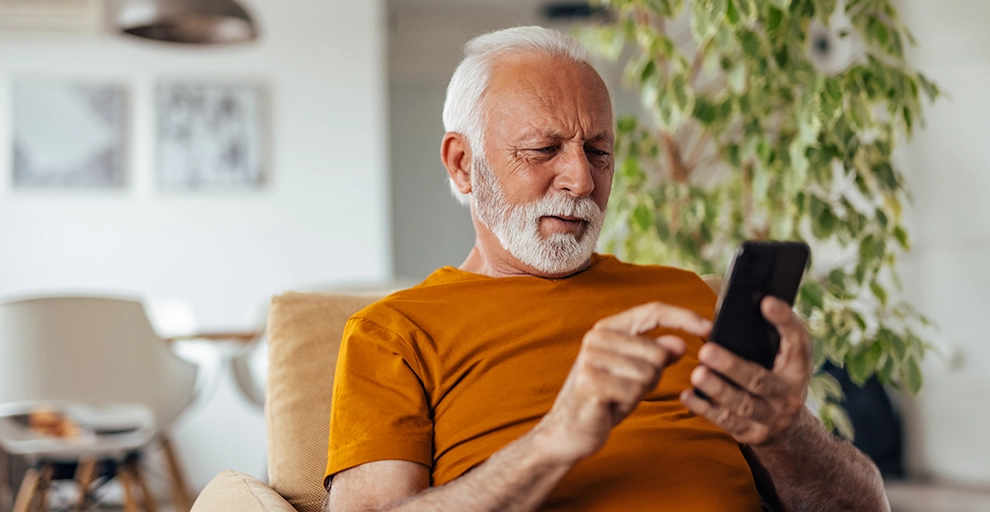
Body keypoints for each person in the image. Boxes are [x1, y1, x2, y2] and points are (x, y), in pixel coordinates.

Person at [324, 26, 888, 511]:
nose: (582, 181)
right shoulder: (392, 334)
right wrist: (554, 440)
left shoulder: (687, 296)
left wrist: (787, 432)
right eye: (544, 150)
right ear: (463, 163)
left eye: (598, 151)